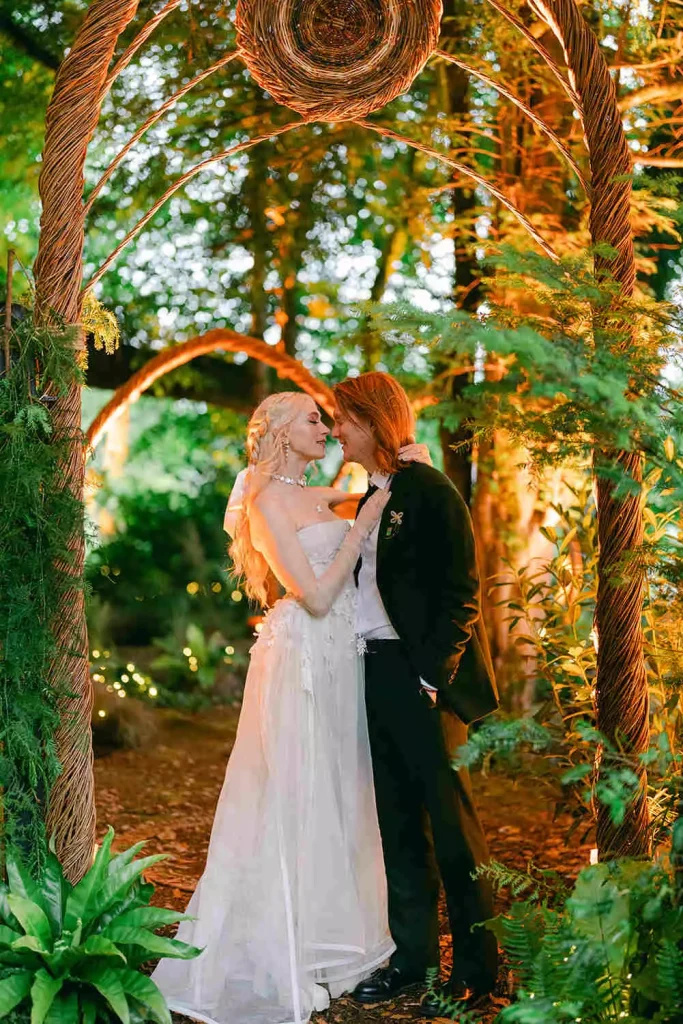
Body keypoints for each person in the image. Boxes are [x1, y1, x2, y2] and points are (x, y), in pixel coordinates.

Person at [151, 391, 429, 1024]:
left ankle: (331, 940)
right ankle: (284, 948)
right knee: (294, 791)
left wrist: (406, 466)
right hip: (304, 654)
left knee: (340, 786)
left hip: (344, 655)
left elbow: (381, 498)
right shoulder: (265, 502)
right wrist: (362, 524)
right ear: (278, 429)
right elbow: (314, 593)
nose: (325, 426)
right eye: (311, 417)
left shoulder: (320, 492)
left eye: (326, 419)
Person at [331, 372, 500, 1014]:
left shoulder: (429, 491)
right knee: (398, 826)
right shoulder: (371, 494)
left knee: (453, 829)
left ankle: (480, 972)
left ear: (373, 422)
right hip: (371, 671)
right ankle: (413, 962)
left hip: (424, 679)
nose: (337, 430)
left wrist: (432, 676)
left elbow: (463, 590)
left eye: (343, 418)